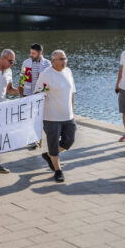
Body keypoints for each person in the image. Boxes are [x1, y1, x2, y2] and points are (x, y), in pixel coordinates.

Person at [35, 49, 76, 182]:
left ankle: (49, 155)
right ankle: (58, 171)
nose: (64, 61)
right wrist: (42, 94)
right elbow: (39, 92)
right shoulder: (46, 75)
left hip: (68, 116)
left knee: (69, 141)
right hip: (52, 117)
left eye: (65, 58)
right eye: (61, 59)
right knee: (53, 144)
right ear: (53, 61)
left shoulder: (68, 72)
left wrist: (73, 112)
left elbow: (72, 93)